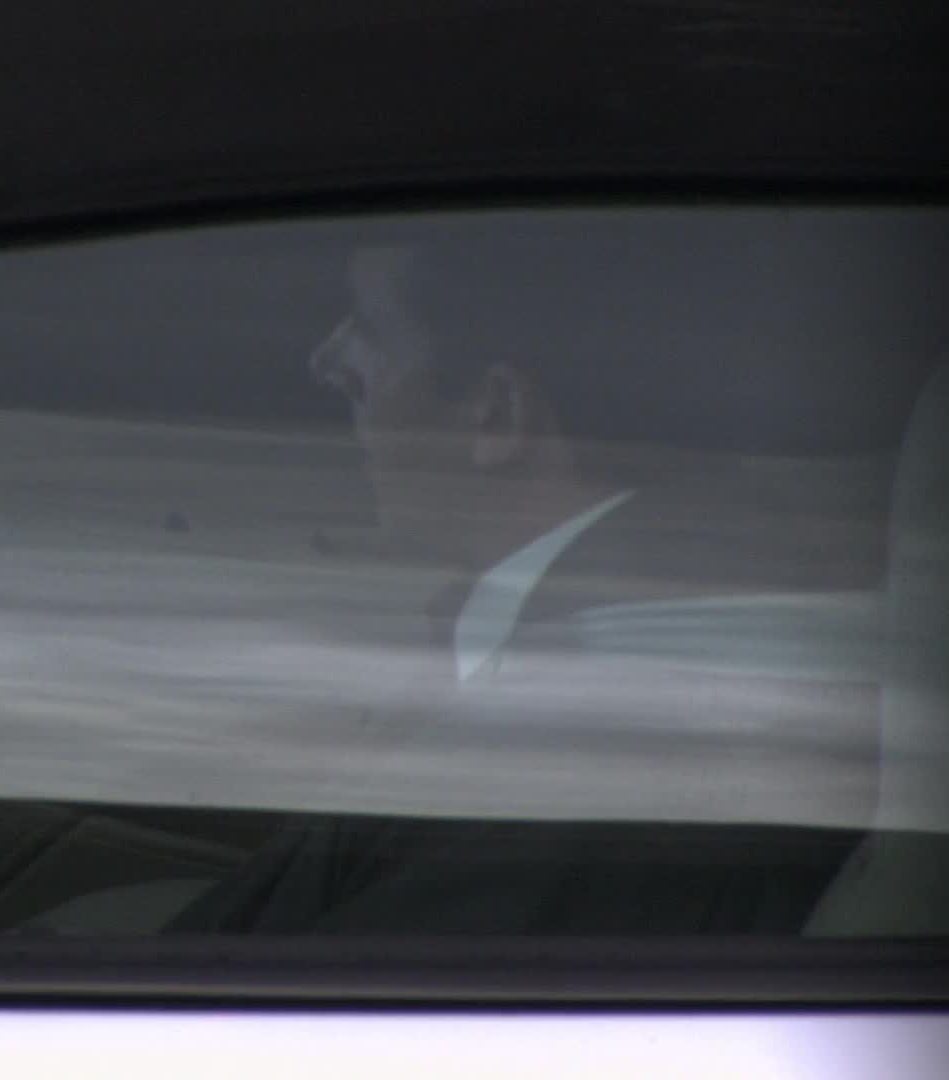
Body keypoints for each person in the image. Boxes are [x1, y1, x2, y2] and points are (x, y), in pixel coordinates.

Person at [168, 239, 890, 934]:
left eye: (365, 338)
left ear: (495, 413)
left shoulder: (600, 723)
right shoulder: (589, 650)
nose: (327, 366)